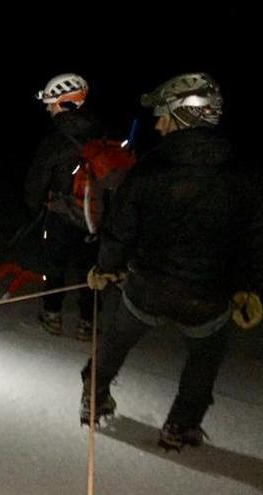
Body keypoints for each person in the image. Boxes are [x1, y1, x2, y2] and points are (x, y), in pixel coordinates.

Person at [82, 73, 263, 451]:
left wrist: (106, 267)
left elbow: (120, 230)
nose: (158, 123)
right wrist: (249, 286)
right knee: (205, 357)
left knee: (117, 338)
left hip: (148, 287)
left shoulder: (150, 169)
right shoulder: (242, 175)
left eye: (164, 114)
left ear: (185, 117)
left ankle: (92, 395)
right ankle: (181, 425)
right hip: (208, 296)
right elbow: (254, 240)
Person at [24, 73, 102, 340]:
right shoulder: (100, 135)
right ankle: (87, 323)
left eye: (51, 103)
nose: (48, 108)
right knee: (89, 272)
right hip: (94, 219)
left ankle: (53, 315)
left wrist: (34, 206)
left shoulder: (55, 141)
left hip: (61, 216)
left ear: (66, 104)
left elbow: (37, 181)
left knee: (54, 266)